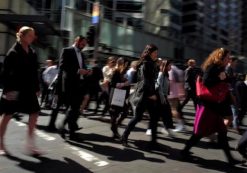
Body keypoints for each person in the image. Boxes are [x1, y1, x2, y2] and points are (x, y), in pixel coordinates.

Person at [181, 48, 242, 165]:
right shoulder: (212, 66)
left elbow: (224, 80)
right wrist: (221, 78)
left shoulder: (220, 68)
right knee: (198, 133)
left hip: (215, 105)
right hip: (208, 105)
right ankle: (184, 151)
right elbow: (207, 81)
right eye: (227, 57)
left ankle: (230, 159)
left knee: (222, 132)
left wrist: (229, 78)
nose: (229, 59)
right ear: (220, 57)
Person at [0, 26, 41, 155]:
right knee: (7, 115)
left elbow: (34, 73)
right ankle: (0, 143)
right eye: (30, 35)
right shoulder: (13, 52)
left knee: (34, 113)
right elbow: (5, 74)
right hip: (14, 89)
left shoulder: (32, 52)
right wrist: (7, 91)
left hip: (28, 89)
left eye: (33, 35)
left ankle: (30, 143)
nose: (33, 38)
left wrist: (37, 88)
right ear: (22, 36)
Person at [121, 44, 159, 149]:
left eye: (157, 53)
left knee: (154, 117)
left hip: (146, 93)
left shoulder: (148, 62)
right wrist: (151, 94)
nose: (156, 54)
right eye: (155, 53)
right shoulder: (147, 64)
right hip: (145, 94)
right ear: (150, 53)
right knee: (137, 117)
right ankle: (124, 137)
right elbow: (146, 81)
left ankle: (154, 142)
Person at [57, 35, 91, 140]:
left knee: (75, 109)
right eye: (82, 44)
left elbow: (83, 67)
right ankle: (63, 126)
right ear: (77, 41)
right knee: (73, 108)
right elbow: (62, 66)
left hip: (80, 84)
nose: (84, 46)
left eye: (85, 45)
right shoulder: (67, 51)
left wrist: (87, 71)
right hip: (70, 84)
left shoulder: (82, 54)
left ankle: (70, 132)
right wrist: (77, 71)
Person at [108, 57, 130, 139]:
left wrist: (127, 83)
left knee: (125, 113)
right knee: (115, 113)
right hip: (115, 95)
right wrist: (124, 84)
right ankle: (114, 130)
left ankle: (115, 128)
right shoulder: (115, 71)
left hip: (122, 95)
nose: (127, 66)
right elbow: (113, 84)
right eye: (126, 64)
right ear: (121, 63)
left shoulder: (123, 72)